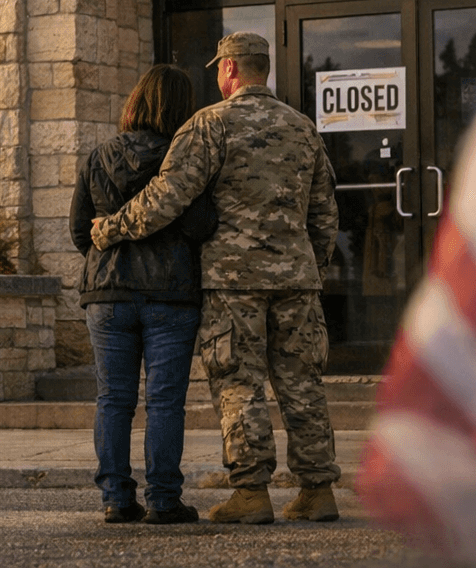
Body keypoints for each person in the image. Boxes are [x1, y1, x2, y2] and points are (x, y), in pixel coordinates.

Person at [91, 32, 340, 525]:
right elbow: (325, 210)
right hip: (297, 278)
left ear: (229, 70)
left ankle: (251, 493)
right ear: (263, 70)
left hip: (233, 280)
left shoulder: (210, 124)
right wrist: (313, 266)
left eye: (219, 71)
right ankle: (318, 491)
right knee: (302, 383)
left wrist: (111, 229)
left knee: (238, 383)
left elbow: (168, 196)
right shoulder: (302, 127)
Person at [70, 65, 218, 525]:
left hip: (107, 293)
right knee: (165, 401)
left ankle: (116, 498)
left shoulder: (97, 156)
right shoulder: (184, 159)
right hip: (170, 294)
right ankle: (164, 500)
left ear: (135, 101)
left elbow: (80, 233)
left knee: (113, 399)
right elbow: (201, 226)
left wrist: (113, 238)